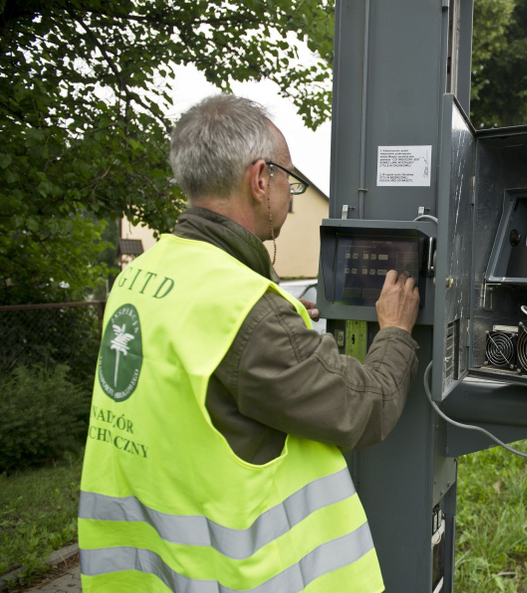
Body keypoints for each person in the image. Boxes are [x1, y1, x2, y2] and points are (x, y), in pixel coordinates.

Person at [78, 94, 420, 592]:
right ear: (261, 179)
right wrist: (394, 331)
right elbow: (364, 408)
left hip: (145, 572)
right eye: (291, 181)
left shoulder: (143, 273)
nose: (292, 196)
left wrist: (278, 331)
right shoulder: (247, 310)